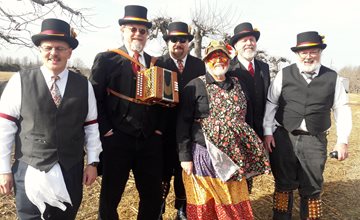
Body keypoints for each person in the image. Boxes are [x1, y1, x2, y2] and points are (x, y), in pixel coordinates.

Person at [0, 18, 102, 219]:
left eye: (60, 48)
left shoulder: (84, 85)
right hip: (29, 169)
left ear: (69, 52)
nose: (54, 53)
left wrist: (93, 162)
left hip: (70, 171)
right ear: (40, 49)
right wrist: (3, 169)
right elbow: (5, 128)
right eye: (48, 47)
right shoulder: (20, 81)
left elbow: (91, 126)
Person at [263, 31, 352, 220]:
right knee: (283, 185)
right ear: (297, 54)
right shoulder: (284, 74)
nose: (308, 56)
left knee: (312, 187)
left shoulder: (332, 78)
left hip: (315, 140)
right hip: (284, 137)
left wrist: (342, 141)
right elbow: (271, 103)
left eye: (313, 51)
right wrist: (268, 132)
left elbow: (341, 109)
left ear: (320, 52)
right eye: (304, 52)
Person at [177, 40, 270, 220]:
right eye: (213, 57)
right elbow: (183, 123)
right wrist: (185, 157)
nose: (218, 61)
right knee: (206, 202)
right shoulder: (194, 86)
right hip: (204, 155)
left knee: (233, 199)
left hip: (234, 156)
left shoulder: (238, 83)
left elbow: (247, 117)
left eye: (222, 57)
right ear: (206, 61)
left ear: (229, 60)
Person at [90, 5, 166, 220]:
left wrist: (159, 130)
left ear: (148, 35)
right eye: (132, 29)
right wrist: (106, 130)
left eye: (142, 30)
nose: (138, 34)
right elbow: (94, 98)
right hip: (117, 139)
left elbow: (165, 102)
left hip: (148, 141)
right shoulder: (106, 59)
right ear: (122, 30)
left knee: (151, 196)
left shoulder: (156, 63)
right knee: (111, 196)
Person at [155, 21, 206, 220]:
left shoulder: (200, 65)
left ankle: (182, 210)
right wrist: (156, 128)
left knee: (185, 172)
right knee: (162, 173)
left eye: (182, 40)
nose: (178, 43)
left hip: (190, 132)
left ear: (188, 43)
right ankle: (158, 209)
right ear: (168, 42)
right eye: (173, 40)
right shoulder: (158, 63)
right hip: (164, 131)